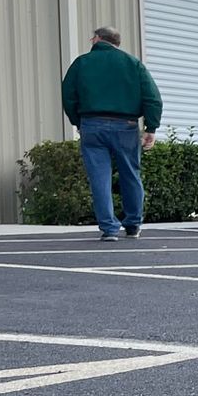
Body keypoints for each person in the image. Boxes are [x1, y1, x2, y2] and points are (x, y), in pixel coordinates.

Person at [60, 25, 163, 241]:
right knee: (130, 174)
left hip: (92, 124)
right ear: (117, 43)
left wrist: (78, 122)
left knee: (99, 178)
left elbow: (68, 95)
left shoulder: (81, 63)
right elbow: (152, 97)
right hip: (125, 126)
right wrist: (150, 128)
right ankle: (133, 224)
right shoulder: (132, 63)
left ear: (96, 39)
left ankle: (109, 229)